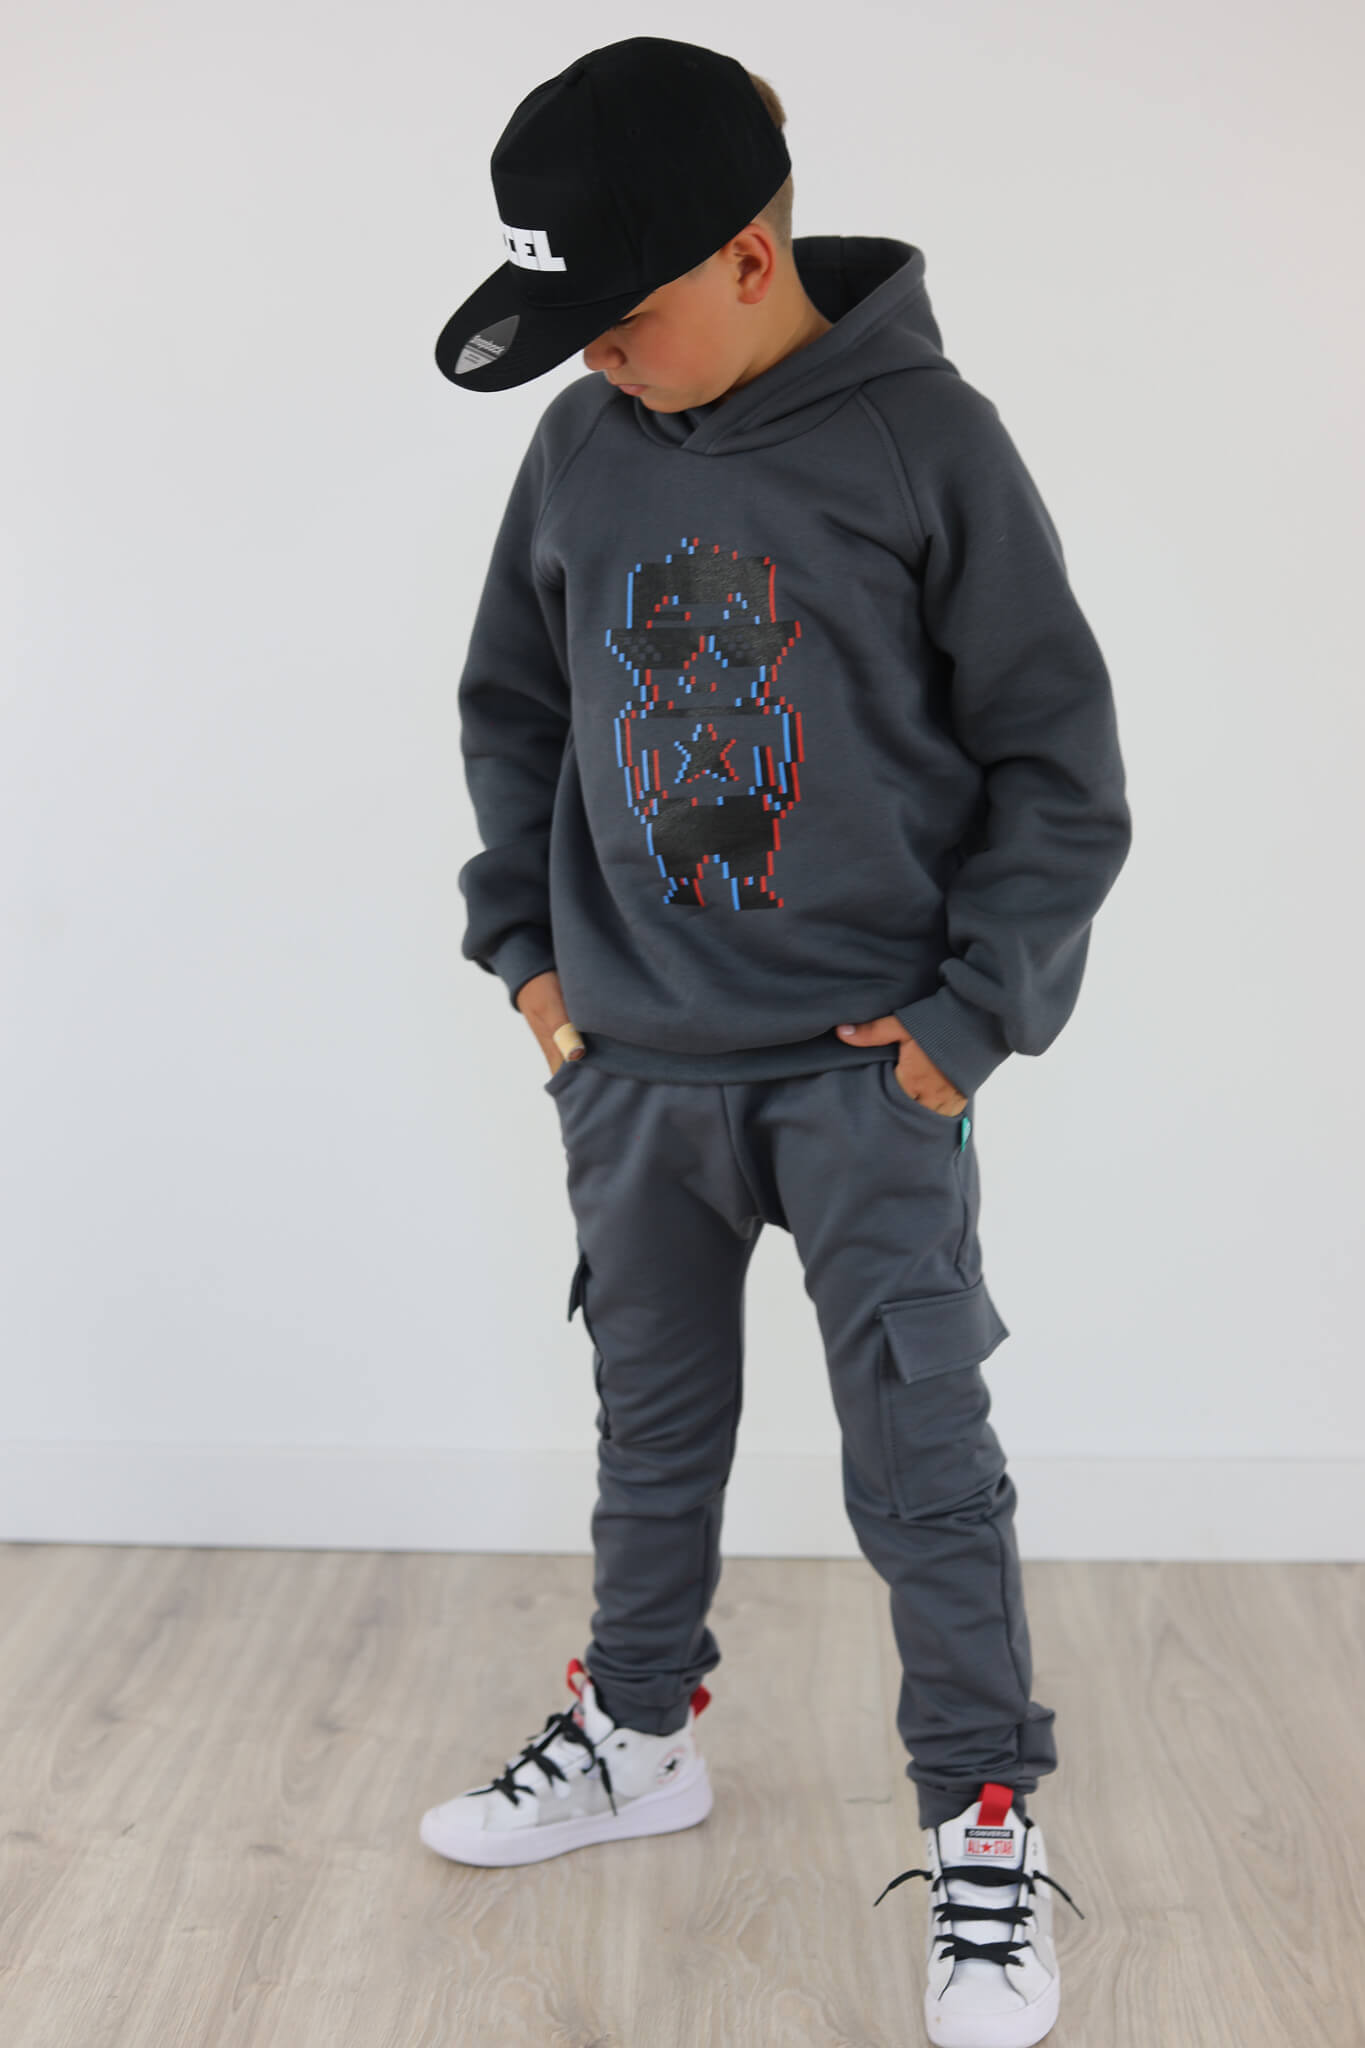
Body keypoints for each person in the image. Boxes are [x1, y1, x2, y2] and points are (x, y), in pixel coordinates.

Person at [420, 37, 1126, 2048]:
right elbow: (510, 714)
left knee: (920, 1461)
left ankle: (980, 1816)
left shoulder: (927, 445)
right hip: (634, 1069)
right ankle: (638, 1729)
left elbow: (1056, 768)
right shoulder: (580, 446)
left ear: (749, 257)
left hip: (859, 1074)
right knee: (648, 1434)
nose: (591, 357)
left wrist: (960, 1024)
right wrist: (532, 968)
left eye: (618, 315)